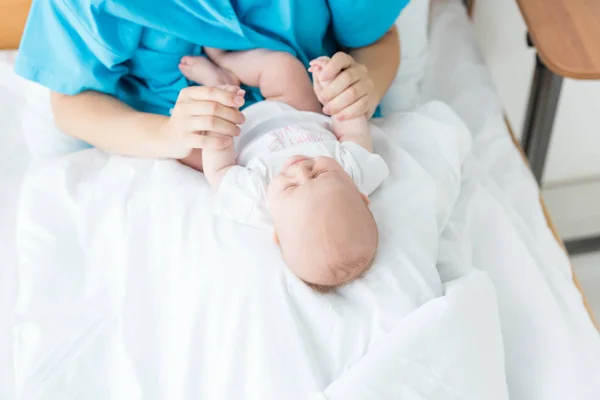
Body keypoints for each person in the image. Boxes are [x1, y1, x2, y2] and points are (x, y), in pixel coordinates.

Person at [14, 0, 408, 169]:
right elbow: (72, 100)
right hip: (171, 154)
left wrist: (363, 86)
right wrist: (167, 136)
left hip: (314, 122)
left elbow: (376, 40)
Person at [186, 50, 388, 289]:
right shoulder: (355, 173)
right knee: (285, 68)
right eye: (320, 173)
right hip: (296, 110)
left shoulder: (256, 200)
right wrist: (332, 94)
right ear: (361, 196)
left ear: (277, 234)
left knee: (187, 149)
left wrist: (221, 132)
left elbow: (220, 171)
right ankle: (226, 60)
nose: (300, 168)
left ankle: (218, 82)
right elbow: (352, 128)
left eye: (291, 187)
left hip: (242, 131)